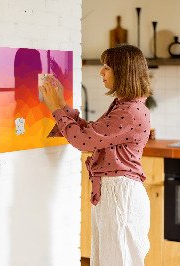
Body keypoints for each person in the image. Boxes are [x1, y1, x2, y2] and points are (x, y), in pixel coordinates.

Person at [40, 44, 152, 266]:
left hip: (120, 195)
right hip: (115, 193)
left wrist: (55, 107)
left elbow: (83, 141)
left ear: (123, 72)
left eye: (107, 67)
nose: (101, 72)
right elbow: (91, 133)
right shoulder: (125, 106)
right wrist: (62, 104)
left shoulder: (129, 111)